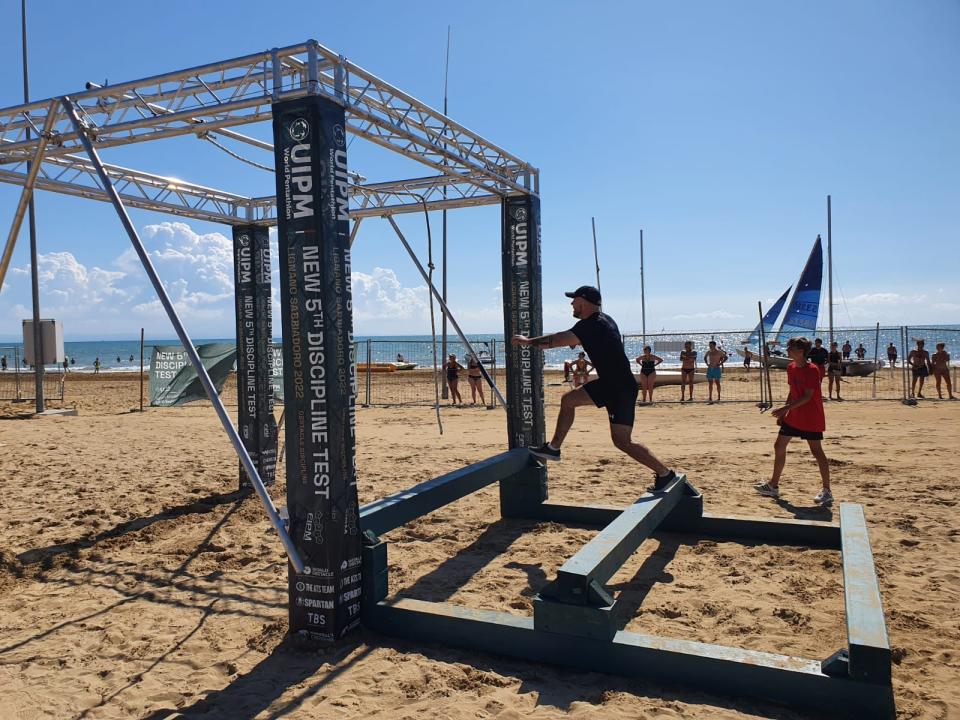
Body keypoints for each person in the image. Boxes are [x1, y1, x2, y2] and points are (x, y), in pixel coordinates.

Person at [512, 285, 677, 492]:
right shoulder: (605, 320)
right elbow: (596, 341)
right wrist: (578, 342)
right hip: (619, 384)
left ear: (584, 302)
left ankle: (554, 448)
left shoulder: (589, 325)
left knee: (619, 439)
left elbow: (556, 340)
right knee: (576, 406)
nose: (571, 304)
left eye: (574, 300)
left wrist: (527, 342)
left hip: (615, 387)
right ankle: (666, 474)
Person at [754, 337, 832, 505]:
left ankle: (827, 490)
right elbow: (793, 392)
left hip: (811, 416)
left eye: (791, 348)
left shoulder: (812, 370)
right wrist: (784, 413)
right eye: (788, 348)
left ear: (801, 351)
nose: (788, 350)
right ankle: (773, 485)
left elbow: (807, 397)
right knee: (779, 445)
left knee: (817, 452)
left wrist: (785, 409)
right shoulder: (791, 367)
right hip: (794, 415)